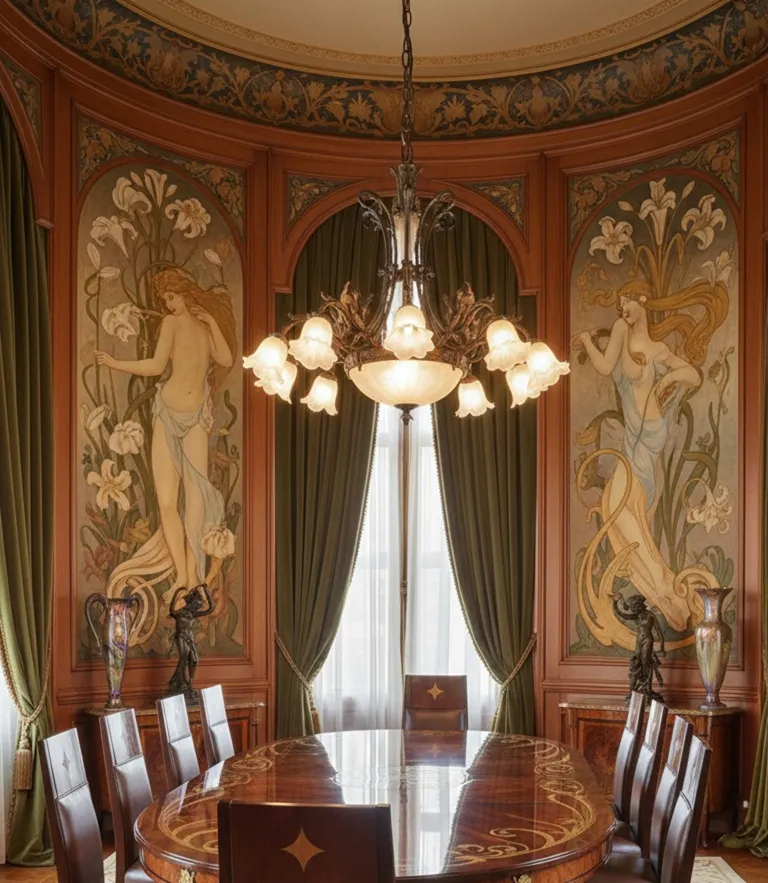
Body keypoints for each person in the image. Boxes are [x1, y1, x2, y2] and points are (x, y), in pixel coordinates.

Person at [95, 267, 237, 603]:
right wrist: (116, 363)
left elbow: (226, 357)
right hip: (167, 414)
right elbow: (157, 366)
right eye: (165, 299)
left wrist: (212, 322)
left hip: (197, 418)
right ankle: (183, 578)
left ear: (183, 291)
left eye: (171, 296)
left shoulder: (203, 325)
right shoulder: (171, 324)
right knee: (167, 501)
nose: (169, 303)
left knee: (197, 499)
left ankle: (194, 578)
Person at [576, 290, 701, 632]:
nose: (622, 310)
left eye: (626, 304)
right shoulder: (620, 331)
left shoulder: (658, 351)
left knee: (617, 507)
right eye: (619, 307)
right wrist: (588, 340)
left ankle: (663, 588)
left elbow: (694, 375)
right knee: (619, 510)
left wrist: (669, 378)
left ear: (641, 302)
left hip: (650, 432)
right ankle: (665, 590)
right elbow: (604, 366)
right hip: (636, 438)